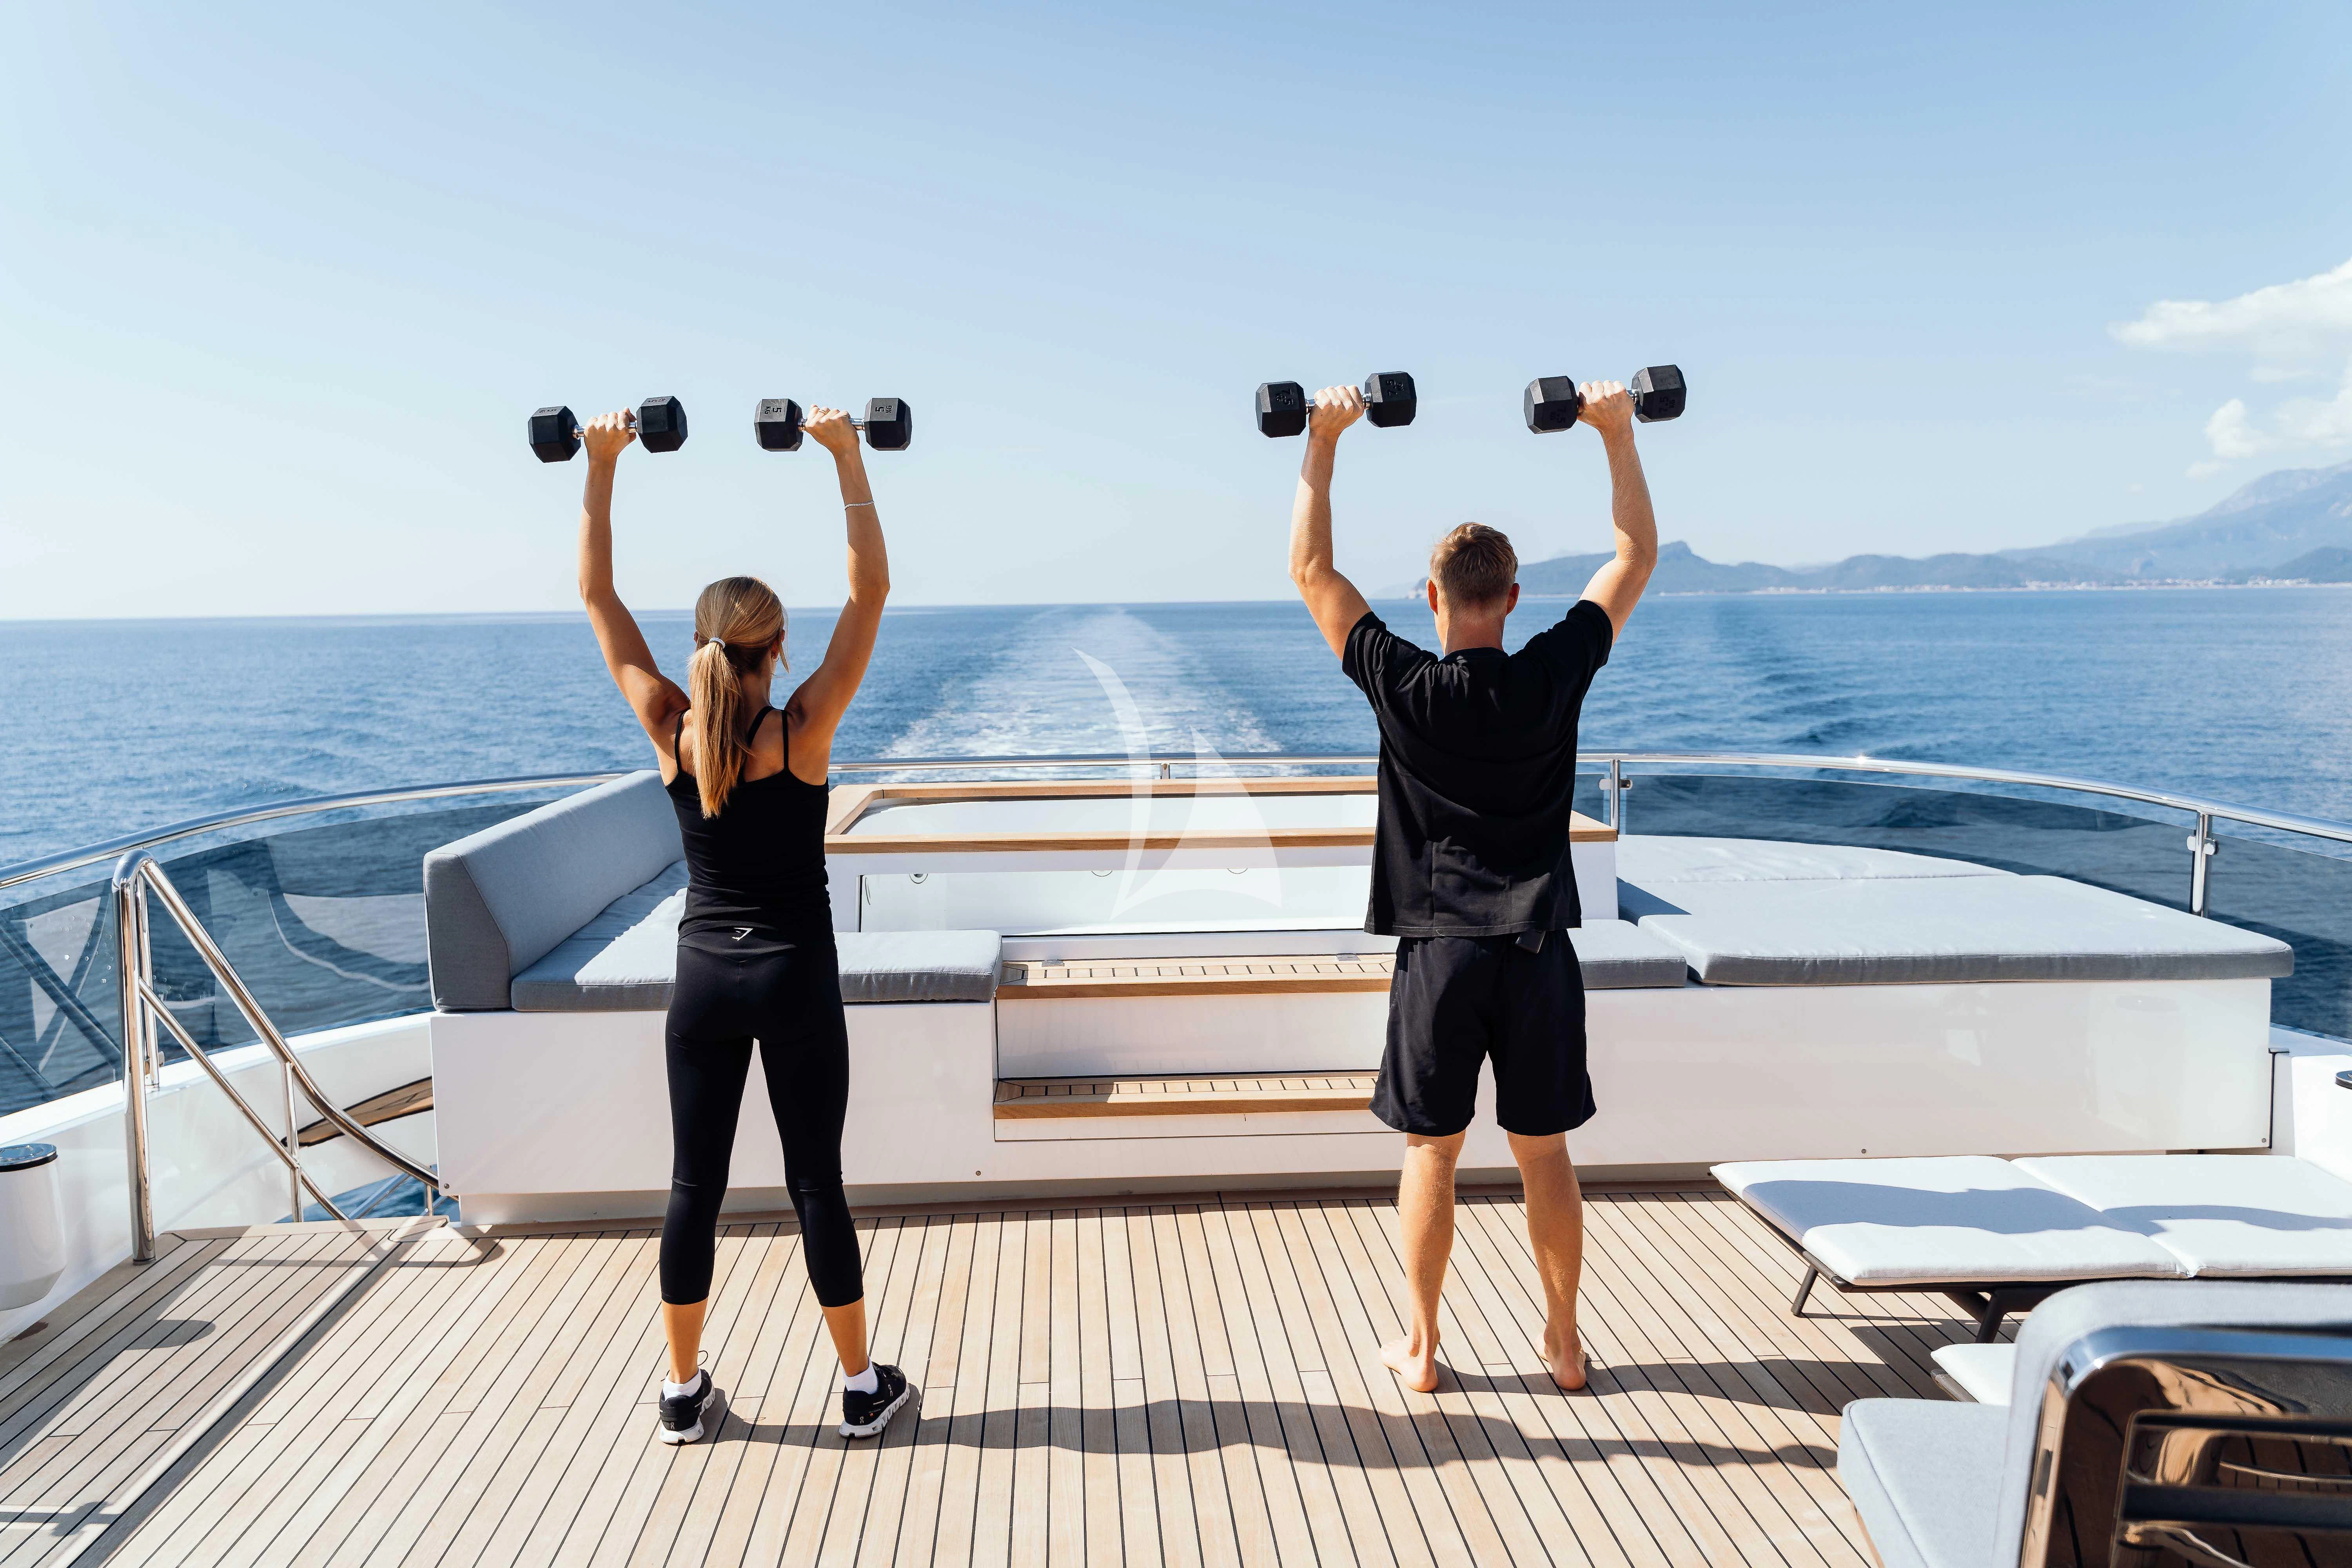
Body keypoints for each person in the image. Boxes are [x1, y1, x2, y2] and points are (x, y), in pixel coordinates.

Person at [1285, 381, 1657, 1394]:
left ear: (1434, 597)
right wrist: (1615, 432)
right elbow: (1633, 558)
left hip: (1442, 954)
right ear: (1514, 598)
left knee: (1432, 1156)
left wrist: (1324, 439)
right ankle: (1564, 1342)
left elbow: (1311, 569)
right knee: (1545, 1155)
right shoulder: (1552, 674)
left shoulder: (1403, 684)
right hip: (1537, 953)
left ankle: (1421, 1348)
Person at [573, 404, 913, 1445]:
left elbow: (597, 596)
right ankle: (860, 1386)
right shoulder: (801, 733)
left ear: (701, 649)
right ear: (776, 650)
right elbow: (872, 592)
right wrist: (845, 457)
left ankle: (681, 1394)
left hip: (704, 985)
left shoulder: (669, 728)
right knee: (815, 1184)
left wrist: (602, 465)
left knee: (694, 1185)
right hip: (795, 979)